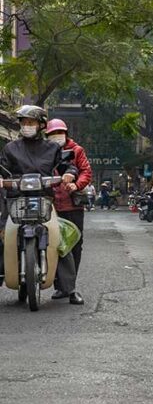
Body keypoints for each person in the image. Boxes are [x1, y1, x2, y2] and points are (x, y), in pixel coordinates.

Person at [0, 106, 81, 304]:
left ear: (41, 125)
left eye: (31, 122)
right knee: (2, 237)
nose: (26, 126)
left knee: (59, 239)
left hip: (44, 200)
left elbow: (67, 165)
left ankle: (69, 289)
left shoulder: (52, 148)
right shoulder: (10, 148)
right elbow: (2, 167)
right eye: (24, 122)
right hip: (15, 201)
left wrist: (70, 173)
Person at [45, 119, 93, 301]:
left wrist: (76, 184)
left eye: (59, 133)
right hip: (49, 204)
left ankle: (70, 286)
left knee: (73, 245)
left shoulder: (76, 150)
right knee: (53, 245)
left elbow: (86, 172)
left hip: (72, 205)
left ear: (65, 133)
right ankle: (60, 286)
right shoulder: (44, 152)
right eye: (52, 134)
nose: (56, 137)